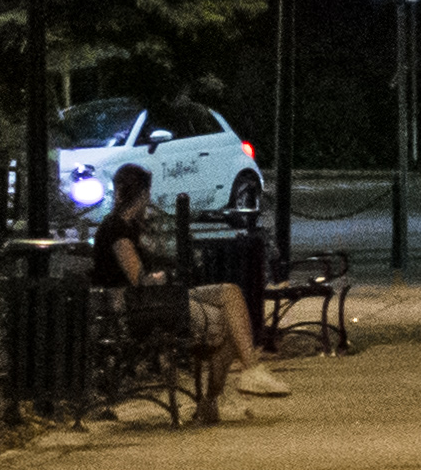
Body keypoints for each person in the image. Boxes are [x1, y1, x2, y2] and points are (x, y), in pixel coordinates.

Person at [92, 164, 284, 423]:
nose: (150, 200)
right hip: (139, 309)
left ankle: (247, 373)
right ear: (141, 194)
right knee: (230, 326)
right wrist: (162, 276)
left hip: (155, 303)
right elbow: (139, 279)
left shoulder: (129, 227)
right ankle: (217, 396)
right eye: (147, 194)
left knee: (231, 293)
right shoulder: (117, 229)